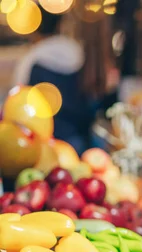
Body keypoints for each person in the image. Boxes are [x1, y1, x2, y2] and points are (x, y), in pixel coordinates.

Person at [13, 7, 118, 155]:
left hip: (44, 144)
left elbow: (19, 105)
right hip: (81, 140)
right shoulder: (78, 52)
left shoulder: (32, 60)